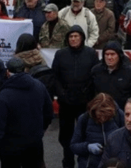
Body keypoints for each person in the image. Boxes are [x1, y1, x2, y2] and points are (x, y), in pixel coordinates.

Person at [0, 57, 54, 168]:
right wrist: (41, 129)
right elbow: (49, 112)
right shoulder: (39, 86)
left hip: (10, 148)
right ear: (25, 69)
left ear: (7, 72)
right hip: (34, 143)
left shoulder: (3, 96)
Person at [53, 26, 100, 168]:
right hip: (66, 102)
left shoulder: (90, 53)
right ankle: (67, 161)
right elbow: (55, 77)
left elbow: (95, 76)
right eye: (70, 37)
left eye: (76, 36)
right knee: (66, 135)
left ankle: (84, 162)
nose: (73, 39)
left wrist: (88, 95)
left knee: (85, 133)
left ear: (82, 38)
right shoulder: (61, 54)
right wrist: (61, 94)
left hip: (84, 103)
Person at [71, 93, 126, 168]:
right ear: (94, 112)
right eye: (99, 117)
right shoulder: (84, 119)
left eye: (106, 117)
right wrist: (87, 147)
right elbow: (73, 146)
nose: (102, 119)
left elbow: (129, 141)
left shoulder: (119, 116)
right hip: (90, 164)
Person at [91, 41, 131, 110]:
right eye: (107, 54)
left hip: (124, 113)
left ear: (119, 55)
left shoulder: (130, 72)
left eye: (112, 54)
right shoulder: (96, 71)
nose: (109, 57)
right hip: (101, 112)